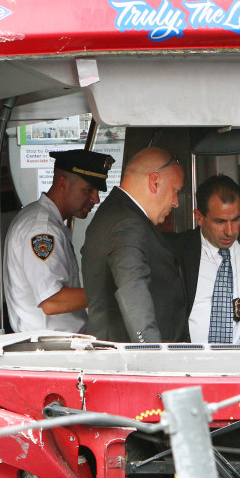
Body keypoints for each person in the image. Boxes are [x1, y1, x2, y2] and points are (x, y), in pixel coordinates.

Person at [81, 147, 188, 343]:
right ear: (154, 182)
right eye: (175, 192)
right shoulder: (126, 223)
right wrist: (150, 353)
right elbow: (132, 286)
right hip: (131, 362)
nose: (176, 203)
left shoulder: (116, 213)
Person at [3, 149, 113, 333]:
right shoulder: (42, 230)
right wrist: (111, 292)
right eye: (88, 190)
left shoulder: (47, 222)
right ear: (62, 183)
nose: (96, 199)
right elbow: (52, 301)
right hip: (52, 350)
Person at [171, 175, 240, 344]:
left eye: (236, 219)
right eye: (220, 221)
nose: (230, 231)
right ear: (199, 217)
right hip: (188, 362)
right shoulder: (177, 251)